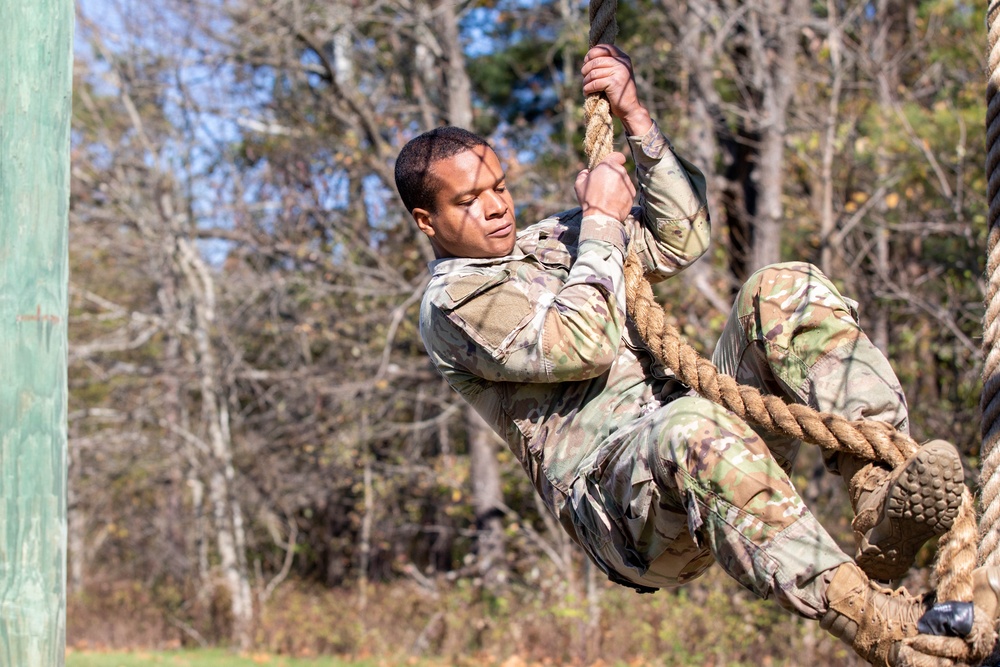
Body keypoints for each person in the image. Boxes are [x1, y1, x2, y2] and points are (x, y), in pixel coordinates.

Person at [394, 45, 997, 667]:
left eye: (499, 187)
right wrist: (601, 221)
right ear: (426, 219)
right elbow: (584, 344)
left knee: (781, 286)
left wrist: (636, 120)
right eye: (468, 200)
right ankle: (883, 627)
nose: (496, 206)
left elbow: (683, 237)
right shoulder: (454, 303)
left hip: (702, 439)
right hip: (628, 510)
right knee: (689, 427)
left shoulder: (554, 241)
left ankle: (874, 493)